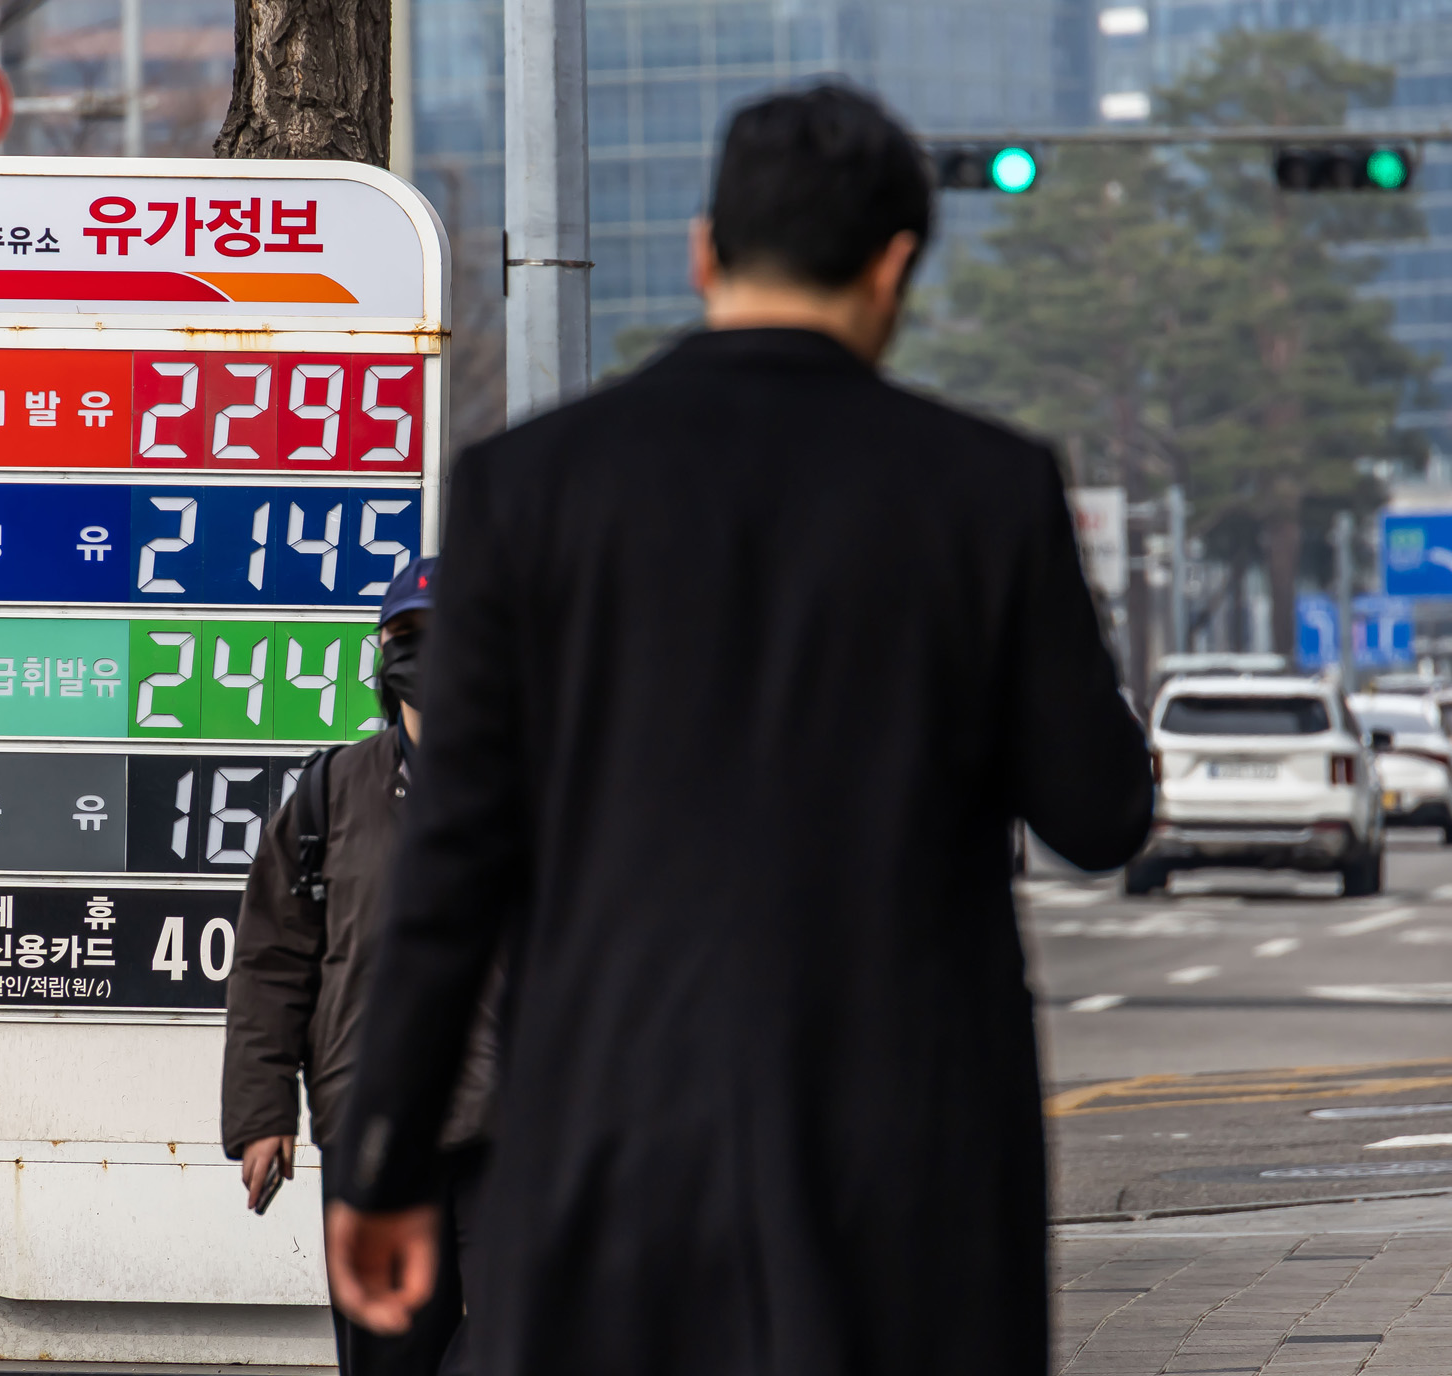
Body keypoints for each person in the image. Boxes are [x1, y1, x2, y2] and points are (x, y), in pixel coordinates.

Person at [323, 85, 1155, 1376]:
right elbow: (1098, 816)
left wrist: (383, 1161)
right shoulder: (985, 490)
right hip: (909, 1159)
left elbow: (451, 867)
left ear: (703, 250)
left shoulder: (528, 490)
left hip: (610, 1141)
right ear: (894, 267)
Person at [221, 556, 494, 1376]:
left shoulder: (543, 788)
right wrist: (262, 1113)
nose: (429, 652)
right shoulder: (330, 793)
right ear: (383, 651)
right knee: (387, 1355)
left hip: (515, 1125)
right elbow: (272, 961)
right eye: (410, 634)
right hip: (372, 1123)